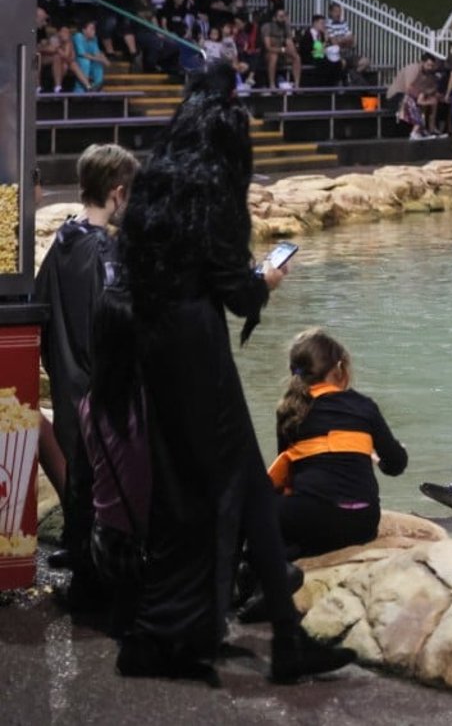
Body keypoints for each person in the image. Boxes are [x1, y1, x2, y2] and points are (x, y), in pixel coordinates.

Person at [90, 63, 354, 682]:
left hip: (155, 341)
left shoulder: (157, 175)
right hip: (194, 343)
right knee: (223, 489)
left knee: (209, 488)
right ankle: (193, 638)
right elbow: (233, 289)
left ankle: (262, 636)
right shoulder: (213, 181)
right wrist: (264, 281)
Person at [34, 144, 140, 610]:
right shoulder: (105, 252)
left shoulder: (62, 239)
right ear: (118, 193)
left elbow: (41, 304)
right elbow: (114, 323)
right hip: (96, 382)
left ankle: (77, 548)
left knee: (78, 468)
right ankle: (94, 562)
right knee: (102, 476)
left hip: (64, 373)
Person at [268, 328, 407, 559]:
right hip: (363, 524)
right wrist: (380, 460)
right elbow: (397, 465)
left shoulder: (289, 410)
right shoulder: (365, 406)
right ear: (340, 369)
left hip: (311, 518)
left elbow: (288, 472)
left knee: (254, 506)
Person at [261, 7, 301, 90]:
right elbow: (268, 47)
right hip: (268, 54)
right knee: (274, 56)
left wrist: (293, 53)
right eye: (281, 16)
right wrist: (282, 50)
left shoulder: (286, 26)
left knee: (297, 57)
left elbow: (289, 43)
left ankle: (297, 85)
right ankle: (272, 85)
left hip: (282, 53)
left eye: (284, 16)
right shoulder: (267, 27)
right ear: (274, 18)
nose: (283, 19)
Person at [71, 18, 108, 92]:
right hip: (75, 60)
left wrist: (104, 59)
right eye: (91, 29)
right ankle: (82, 88)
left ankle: (97, 87)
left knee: (98, 64)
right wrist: (99, 59)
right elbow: (82, 54)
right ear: (84, 30)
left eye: (94, 29)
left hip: (89, 59)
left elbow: (97, 53)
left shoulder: (94, 39)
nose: (94, 31)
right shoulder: (78, 36)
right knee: (85, 62)